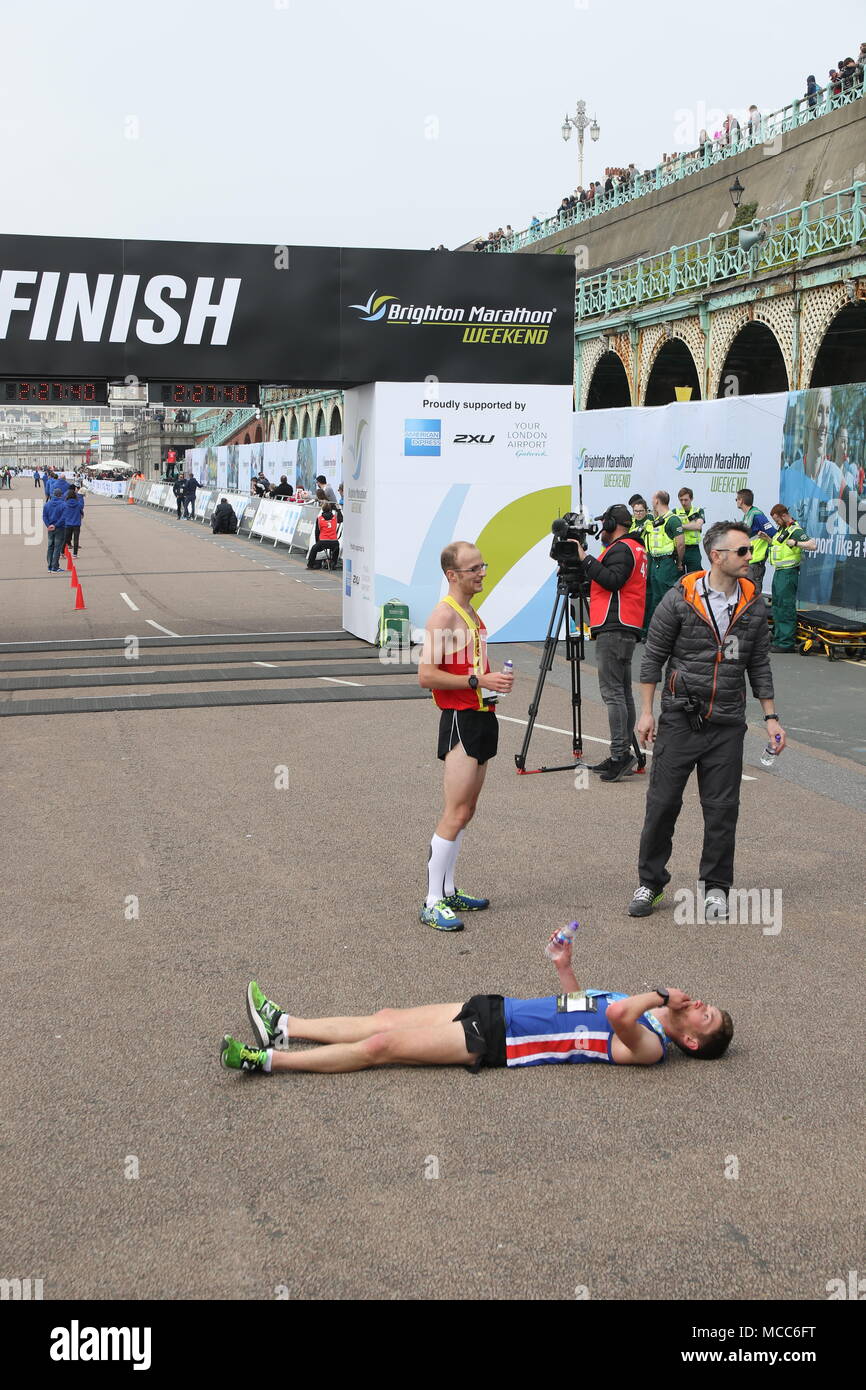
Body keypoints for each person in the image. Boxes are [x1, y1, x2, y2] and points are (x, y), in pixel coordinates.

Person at [219, 937, 733, 1075]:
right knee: (386, 1018)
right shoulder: (640, 1012)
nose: (701, 1004)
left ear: (691, 1039)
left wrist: (662, 996)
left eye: (705, 1016)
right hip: (499, 1008)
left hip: (499, 1043)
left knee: (382, 1046)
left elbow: (618, 1018)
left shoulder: (653, 1048)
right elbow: (586, 1007)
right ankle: (283, 1024)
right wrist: (563, 968)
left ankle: (266, 1060)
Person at [627, 520, 785, 923]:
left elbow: (759, 664)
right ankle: (650, 881)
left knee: (722, 810)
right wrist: (647, 712)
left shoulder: (754, 603)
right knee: (662, 804)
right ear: (717, 556)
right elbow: (653, 658)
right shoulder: (679, 598)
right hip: (681, 718)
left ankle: (715, 889)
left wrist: (770, 717)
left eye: (750, 551)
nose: (750, 557)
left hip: (728, 724)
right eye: (743, 551)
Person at [416, 542, 513, 931]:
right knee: (454, 812)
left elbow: (473, 666)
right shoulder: (443, 616)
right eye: (473, 569)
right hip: (459, 718)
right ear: (452, 575)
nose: (482, 573)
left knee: (467, 811)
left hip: (482, 715)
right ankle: (432, 900)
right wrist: (478, 680)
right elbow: (426, 676)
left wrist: (492, 684)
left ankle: (449, 888)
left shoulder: (470, 612)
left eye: (482, 566)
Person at [575, 504, 648, 782]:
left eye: (604, 523)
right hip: (625, 624)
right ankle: (620, 753)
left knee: (613, 693)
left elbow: (613, 580)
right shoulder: (635, 548)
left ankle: (620, 755)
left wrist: (585, 559)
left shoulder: (622, 548)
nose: (600, 530)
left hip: (614, 625)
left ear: (612, 523)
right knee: (622, 692)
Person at [767, 504, 816, 652]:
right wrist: (767, 540)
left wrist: (796, 543)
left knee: (785, 607)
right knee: (777, 606)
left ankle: (785, 643)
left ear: (783, 515)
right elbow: (779, 546)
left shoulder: (795, 529)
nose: (776, 523)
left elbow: (812, 545)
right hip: (780, 572)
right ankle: (778, 638)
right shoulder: (783, 529)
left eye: (777, 520)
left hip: (788, 573)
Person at [644, 490, 685, 631]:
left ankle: (671, 631)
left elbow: (680, 544)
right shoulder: (656, 520)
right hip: (655, 563)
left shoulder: (673, 519)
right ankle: (653, 632)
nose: (651, 502)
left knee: (666, 598)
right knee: (656, 599)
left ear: (656, 501)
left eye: (652, 499)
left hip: (667, 563)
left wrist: (679, 562)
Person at [735, 488, 776, 593]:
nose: (736, 501)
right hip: (749, 560)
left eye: (736, 499)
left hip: (756, 562)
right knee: (745, 593)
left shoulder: (757, 515)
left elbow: (773, 533)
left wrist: (769, 544)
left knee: (753, 594)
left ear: (741, 501)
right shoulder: (748, 515)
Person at [674, 486, 705, 573]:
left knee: (695, 575)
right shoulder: (675, 512)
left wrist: (681, 526)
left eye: (686, 500)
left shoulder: (698, 511)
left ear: (691, 499)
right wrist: (691, 525)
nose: (683, 502)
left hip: (693, 550)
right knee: (679, 578)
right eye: (681, 500)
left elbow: (698, 526)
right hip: (679, 548)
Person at [306, 503, 342, 569]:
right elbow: (341, 519)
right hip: (334, 541)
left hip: (323, 541)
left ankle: (310, 565)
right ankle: (333, 563)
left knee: (314, 549)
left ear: (322, 509)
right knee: (337, 548)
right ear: (330, 509)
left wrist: (317, 542)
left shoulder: (319, 519)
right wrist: (338, 510)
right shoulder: (335, 518)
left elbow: (317, 532)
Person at [43, 490, 67, 572]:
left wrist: (48, 525)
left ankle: (49, 566)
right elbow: (64, 517)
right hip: (59, 528)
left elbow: (44, 516)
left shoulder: (47, 504)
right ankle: (55, 567)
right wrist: (55, 525)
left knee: (50, 546)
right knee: (57, 547)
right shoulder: (63, 504)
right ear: (60, 495)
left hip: (50, 527)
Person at [61, 485, 84, 557]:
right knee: (76, 539)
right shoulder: (78, 504)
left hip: (68, 523)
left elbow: (63, 512)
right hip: (76, 523)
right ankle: (75, 554)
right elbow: (81, 511)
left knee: (65, 539)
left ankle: (62, 553)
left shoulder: (65, 504)